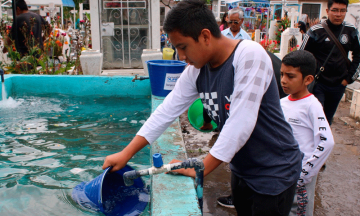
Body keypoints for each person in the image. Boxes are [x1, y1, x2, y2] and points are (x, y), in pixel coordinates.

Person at [102, 1, 302, 215]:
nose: (180, 56)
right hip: (242, 168)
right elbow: (165, 111)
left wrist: (201, 167)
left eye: (183, 47)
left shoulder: (250, 55)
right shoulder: (196, 70)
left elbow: (240, 123)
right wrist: (125, 154)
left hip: (275, 170)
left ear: (205, 36)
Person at [280, 50, 335, 216]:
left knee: (299, 211)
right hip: (282, 172)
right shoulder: (281, 102)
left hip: (301, 177)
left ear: (308, 79)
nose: (283, 80)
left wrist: (304, 173)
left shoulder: (312, 105)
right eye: (282, 74)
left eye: (290, 76)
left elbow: (327, 141)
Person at [300, 0, 360, 125]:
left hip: (339, 84)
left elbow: (358, 56)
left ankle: (323, 143)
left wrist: (349, 79)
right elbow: (301, 56)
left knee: (328, 119)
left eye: (342, 10)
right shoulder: (316, 31)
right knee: (316, 117)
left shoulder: (351, 30)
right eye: (335, 10)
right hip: (318, 83)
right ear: (328, 11)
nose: (338, 14)